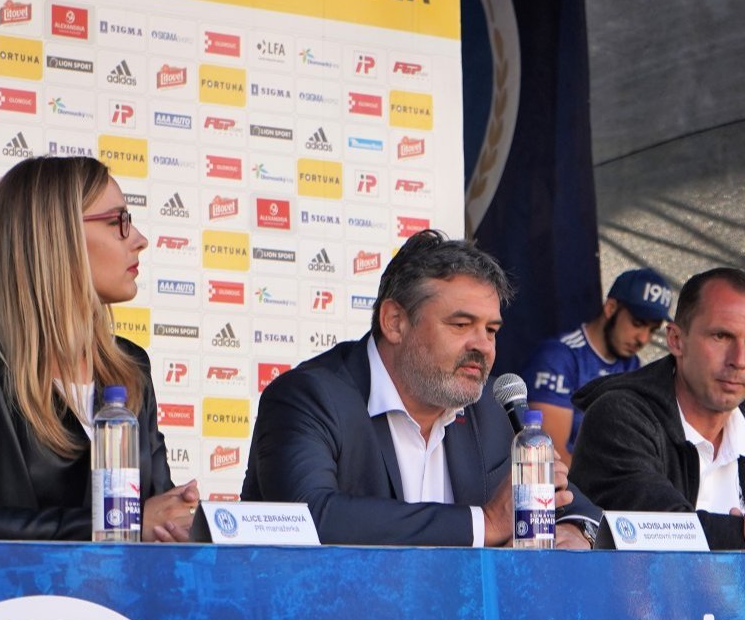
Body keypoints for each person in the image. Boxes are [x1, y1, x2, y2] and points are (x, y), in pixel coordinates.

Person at [241, 229, 600, 547]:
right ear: (395, 322)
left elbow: (579, 508)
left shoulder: (492, 407)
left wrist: (575, 531)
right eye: (461, 325)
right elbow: (309, 518)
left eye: (491, 330)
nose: (483, 346)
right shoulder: (308, 397)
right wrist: (486, 523)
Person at [0, 156, 198, 540]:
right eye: (117, 221)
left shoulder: (132, 365)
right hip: (14, 584)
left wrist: (176, 520)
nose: (139, 239)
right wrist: (114, 523)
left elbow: (152, 514)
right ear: (55, 237)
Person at [569, 267, 745, 552]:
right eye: (721, 336)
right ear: (676, 341)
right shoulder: (619, 417)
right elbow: (664, 534)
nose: (738, 360)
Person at [520, 268, 671, 466]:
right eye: (637, 323)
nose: (643, 339)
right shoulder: (559, 358)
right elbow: (549, 457)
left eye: (652, 330)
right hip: (561, 483)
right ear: (611, 308)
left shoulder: (633, 366)